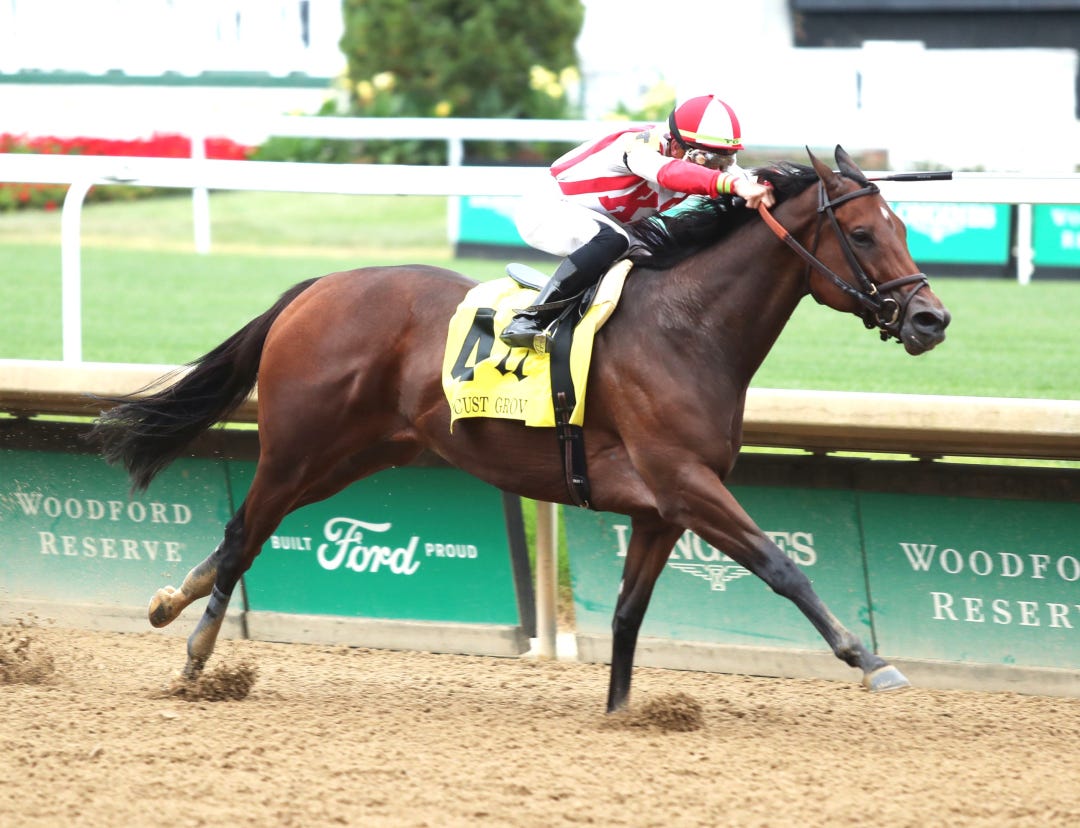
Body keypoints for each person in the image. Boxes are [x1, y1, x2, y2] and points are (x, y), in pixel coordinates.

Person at [500, 93, 777, 350]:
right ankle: (528, 320)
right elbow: (669, 173)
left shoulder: (699, 159)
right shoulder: (639, 146)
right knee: (614, 240)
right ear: (677, 147)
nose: (718, 169)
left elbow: (752, 182)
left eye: (726, 161)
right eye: (711, 159)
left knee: (653, 257)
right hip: (547, 207)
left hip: (603, 223)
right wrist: (730, 183)